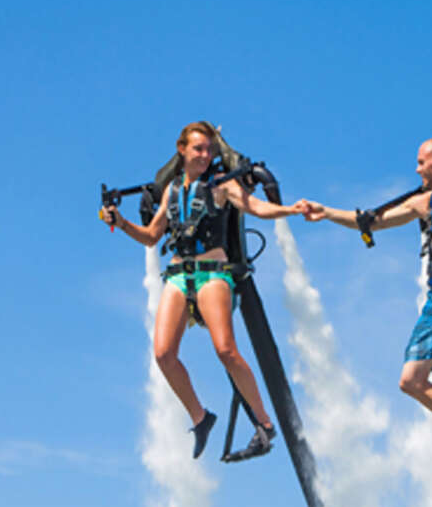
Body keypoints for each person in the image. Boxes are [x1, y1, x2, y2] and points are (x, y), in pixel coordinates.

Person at [302, 136, 432, 480]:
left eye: (421, 162)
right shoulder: (423, 203)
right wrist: (326, 213)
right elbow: (372, 222)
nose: (416, 169)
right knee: (410, 380)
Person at [101, 122, 305, 459]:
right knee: (164, 354)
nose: (205, 155)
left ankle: (265, 425)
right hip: (179, 275)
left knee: (226, 350)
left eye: (209, 149)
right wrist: (121, 223)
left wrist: (289, 210)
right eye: (198, 148)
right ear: (182, 149)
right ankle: (200, 417)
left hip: (213, 273)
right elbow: (152, 236)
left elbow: (255, 207)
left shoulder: (221, 186)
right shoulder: (171, 192)